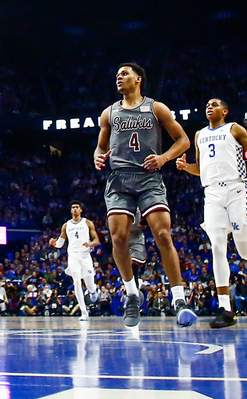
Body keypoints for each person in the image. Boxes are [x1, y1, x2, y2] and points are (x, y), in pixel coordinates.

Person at [93, 62, 194, 327]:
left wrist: (164, 158)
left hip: (149, 177)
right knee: (118, 236)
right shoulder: (109, 113)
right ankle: (132, 294)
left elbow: (183, 140)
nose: (119, 77)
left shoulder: (156, 107)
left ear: (138, 80)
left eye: (124, 74)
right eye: (117, 74)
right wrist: (97, 158)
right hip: (118, 180)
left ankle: (179, 299)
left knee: (162, 234)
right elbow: (100, 147)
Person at [174, 98, 247, 329]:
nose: (209, 107)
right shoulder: (199, 135)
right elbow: (201, 169)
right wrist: (186, 167)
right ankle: (226, 308)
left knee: (244, 251)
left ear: (224, 111)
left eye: (214, 104)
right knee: (217, 247)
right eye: (207, 104)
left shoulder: (234, 128)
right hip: (212, 194)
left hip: (236, 189)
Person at [53, 201, 100, 321]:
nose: (75, 209)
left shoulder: (87, 223)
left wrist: (89, 244)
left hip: (85, 256)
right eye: (73, 207)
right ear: (70, 211)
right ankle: (84, 312)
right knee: (77, 282)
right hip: (73, 257)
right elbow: (60, 243)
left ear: (81, 210)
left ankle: (93, 291)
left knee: (90, 285)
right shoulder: (66, 225)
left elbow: (97, 240)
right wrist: (54, 243)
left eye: (77, 207)